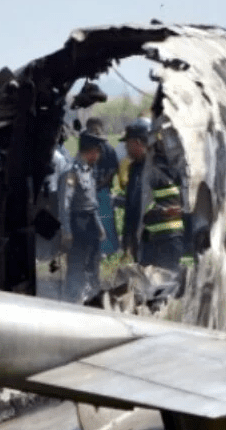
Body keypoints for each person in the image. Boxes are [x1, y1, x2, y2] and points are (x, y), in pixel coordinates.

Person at [122, 122, 184, 270]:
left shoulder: (166, 165)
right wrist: (127, 241)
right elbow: (131, 206)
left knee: (166, 284)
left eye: (128, 144)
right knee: (146, 286)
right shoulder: (134, 169)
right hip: (145, 240)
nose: (126, 149)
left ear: (137, 143)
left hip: (169, 238)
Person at [59, 132, 106, 302]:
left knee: (92, 262)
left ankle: (91, 296)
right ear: (91, 151)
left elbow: (92, 203)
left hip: (90, 223)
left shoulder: (88, 170)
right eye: (97, 152)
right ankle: (73, 297)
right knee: (77, 263)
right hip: (78, 223)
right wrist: (66, 230)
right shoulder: (72, 172)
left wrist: (99, 226)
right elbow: (65, 202)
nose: (98, 156)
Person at [83, 118, 121, 257]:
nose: (93, 131)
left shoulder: (108, 148)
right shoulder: (86, 148)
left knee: (106, 220)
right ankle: (97, 251)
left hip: (102, 191)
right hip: (89, 191)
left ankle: (109, 251)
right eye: (90, 128)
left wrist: (100, 184)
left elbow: (112, 171)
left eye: (95, 128)